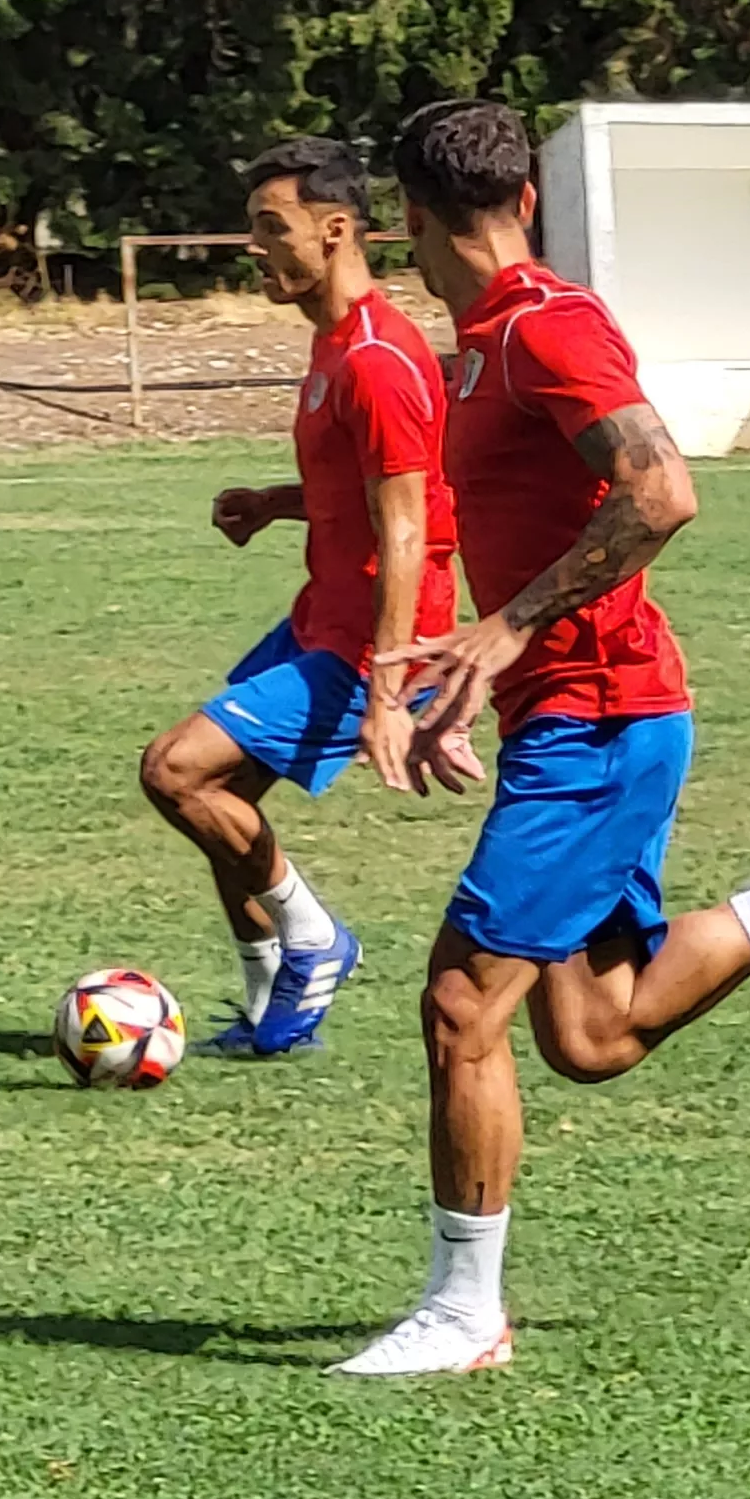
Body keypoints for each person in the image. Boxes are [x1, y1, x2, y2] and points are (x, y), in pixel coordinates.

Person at [335, 99, 750, 1380]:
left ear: (411, 220)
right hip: (570, 717)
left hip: (600, 713)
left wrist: (504, 634)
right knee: (591, 1035)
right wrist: (466, 672)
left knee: (460, 1007)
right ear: (525, 196)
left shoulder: (548, 328)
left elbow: (661, 490)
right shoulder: (478, 345)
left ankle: (462, 1316)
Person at [142, 138, 456, 1059]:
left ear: (335, 229)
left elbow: (407, 527)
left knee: (175, 771)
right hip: (325, 611)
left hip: (368, 642)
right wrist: (276, 504)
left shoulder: (376, 360)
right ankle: (271, 1004)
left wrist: (392, 689)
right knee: (222, 798)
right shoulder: (335, 343)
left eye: (270, 228)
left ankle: (314, 938)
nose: (256, 247)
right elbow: (366, 490)